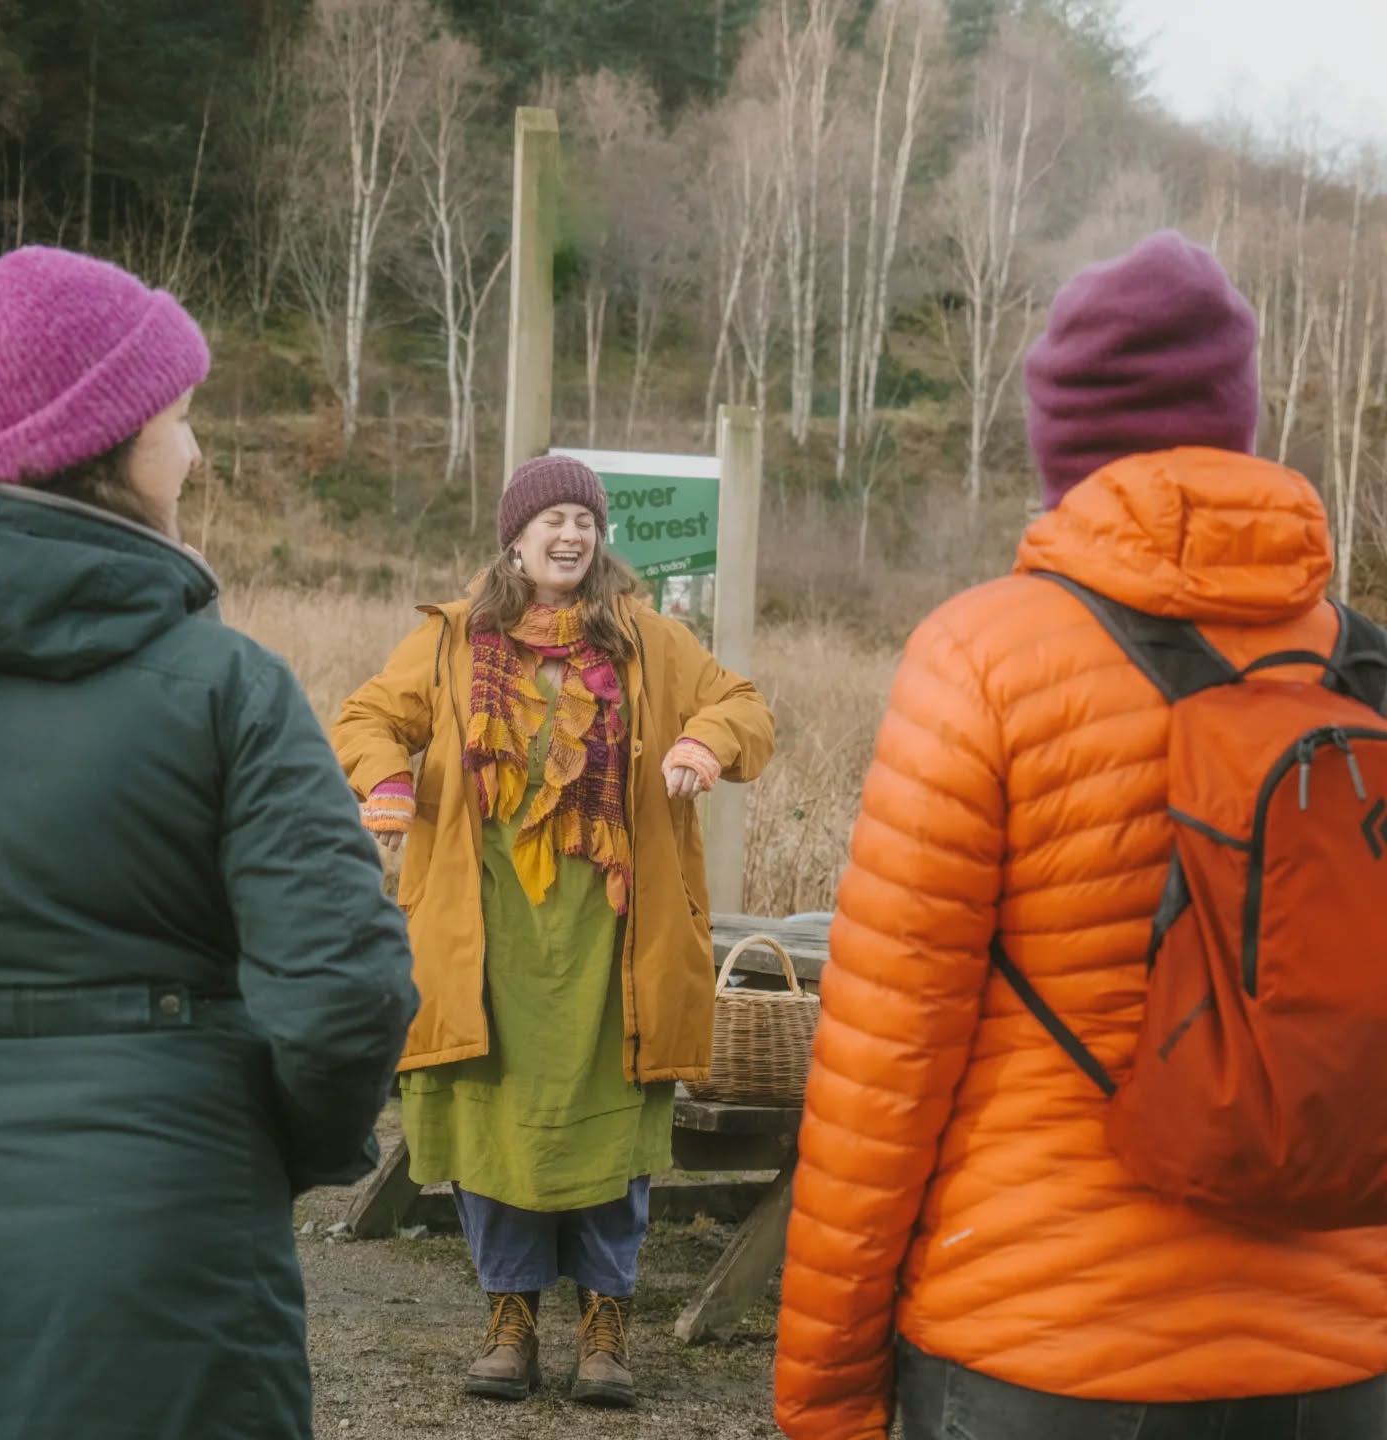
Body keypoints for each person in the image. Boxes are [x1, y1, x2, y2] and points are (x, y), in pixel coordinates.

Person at [774, 231, 1387, 1439]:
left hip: (1037, 1351)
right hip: (1342, 1354)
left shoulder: (983, 656)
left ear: (1060, 441)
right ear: (1240, 421)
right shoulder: (1365, 668)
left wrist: (828, 1390)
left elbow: (885, 1063)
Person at [0, 246, 419, 1440]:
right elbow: (347, 988)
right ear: (109, 442)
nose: (195, 452)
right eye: (178, 419)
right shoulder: (229, 689)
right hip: (166, 1240)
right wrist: (264, 1143)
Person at [333, 454, 774, 1408]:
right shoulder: (456, 640)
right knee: (496, 1127)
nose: (569, 534)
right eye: (552, 519)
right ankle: (511, 1318)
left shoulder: (650, 641)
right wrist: (389, 779)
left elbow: (744, 707)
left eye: (583, 519)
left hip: (615, 937)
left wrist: (703, 742)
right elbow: (366, 717)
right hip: (484, 934)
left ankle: (605, 1327)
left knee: (612, 1130)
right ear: (516, 537)